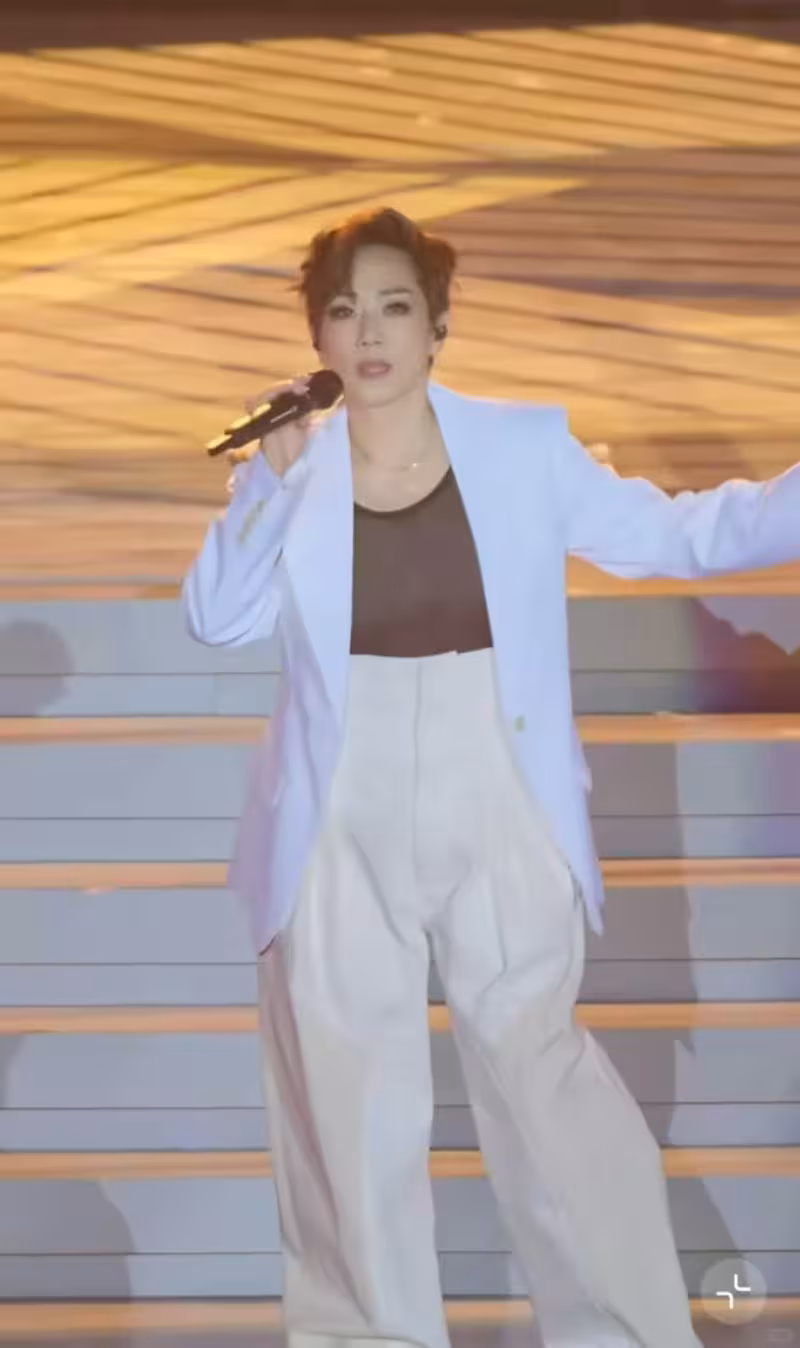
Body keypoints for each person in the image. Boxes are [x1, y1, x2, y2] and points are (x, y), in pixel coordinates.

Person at [182, 207, 800, 1348]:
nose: (370, 333)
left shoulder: (520, 450)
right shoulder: (296, 470)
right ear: (318, 336)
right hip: (337, 808)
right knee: (346, 1099)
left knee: (543, 1080)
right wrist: (264, 485)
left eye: (395, 306)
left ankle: (621, 1329)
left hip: (498, 784)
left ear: (437, 325)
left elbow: (681, 536)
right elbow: (216, 619)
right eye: (344, 311)